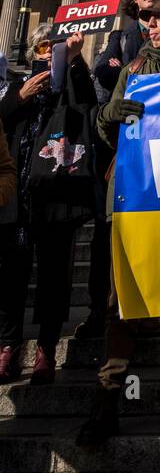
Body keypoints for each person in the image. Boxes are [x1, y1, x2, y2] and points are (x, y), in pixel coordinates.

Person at [75, 0, 160, 448]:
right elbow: (103, 128)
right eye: (148, 21)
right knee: (121, 300)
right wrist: (110, 116)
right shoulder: (134, 69)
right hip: (136, 194)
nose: (150, 26)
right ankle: (108, 395)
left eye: (159, 20)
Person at [0, 27, 97, 385]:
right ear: (31, 53)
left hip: (58, 196)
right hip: (18, 198)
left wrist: (73, 61)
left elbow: (88, 104)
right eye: (42, 46)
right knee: (11, 276)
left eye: (53, 46)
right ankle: (8, 348)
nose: (47, 52)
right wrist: (20, 98)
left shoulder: (72, 83)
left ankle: (45, 349)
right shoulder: (13, 87)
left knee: (55, 277)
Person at [84, 0, 160, 342]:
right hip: (125, 146)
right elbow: (104, 71)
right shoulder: (121, 37)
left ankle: (148, 308)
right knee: (109, 239)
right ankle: (101, 311)